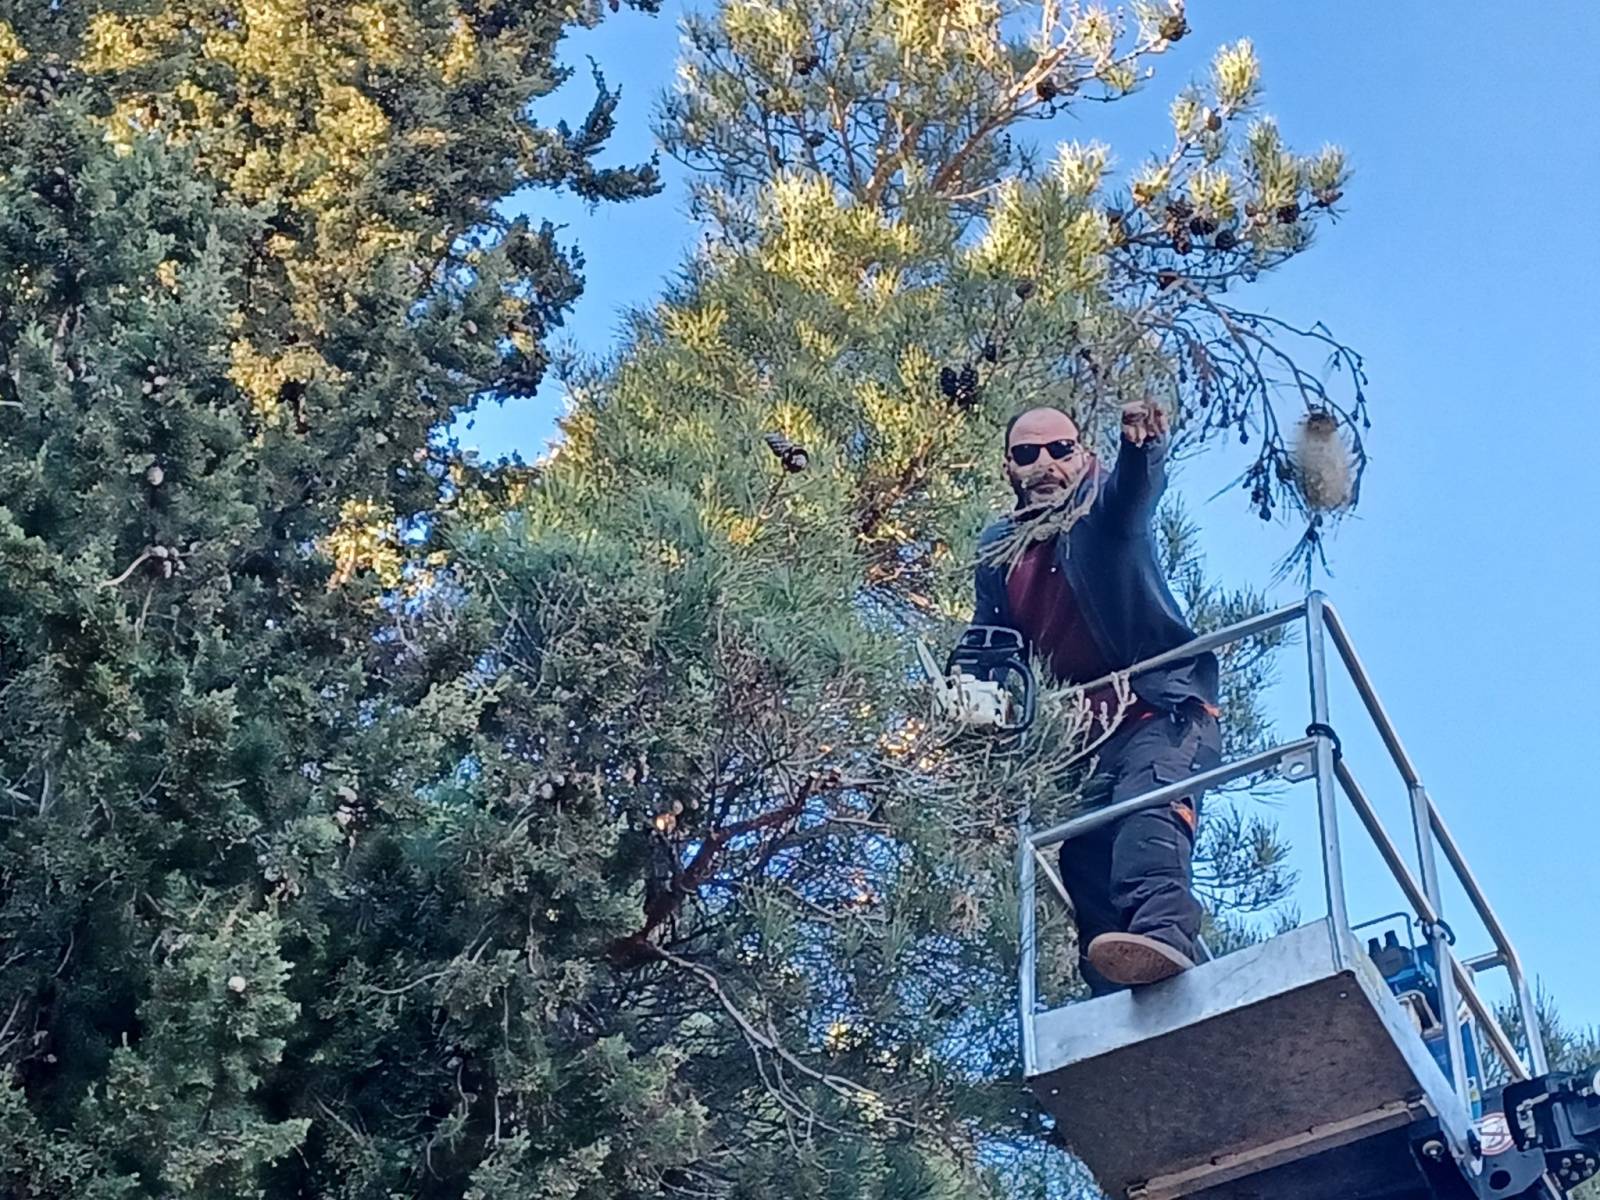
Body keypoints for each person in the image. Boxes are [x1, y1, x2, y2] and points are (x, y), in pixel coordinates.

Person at [970, 401, 1222, 993]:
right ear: (1009, 467)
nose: (1046, 464)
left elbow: (1135, 493)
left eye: (1061, 449)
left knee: (1149, 811)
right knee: (1084, 863)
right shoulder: (999, 550)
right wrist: (970, 689)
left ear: (1084, 455)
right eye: (1027, 454)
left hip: (1162, 709)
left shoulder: (1101, 513)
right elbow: (988, 638)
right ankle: (1112, 995)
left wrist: (1143, 448)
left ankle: (1165, 935)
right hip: (1086, 737)